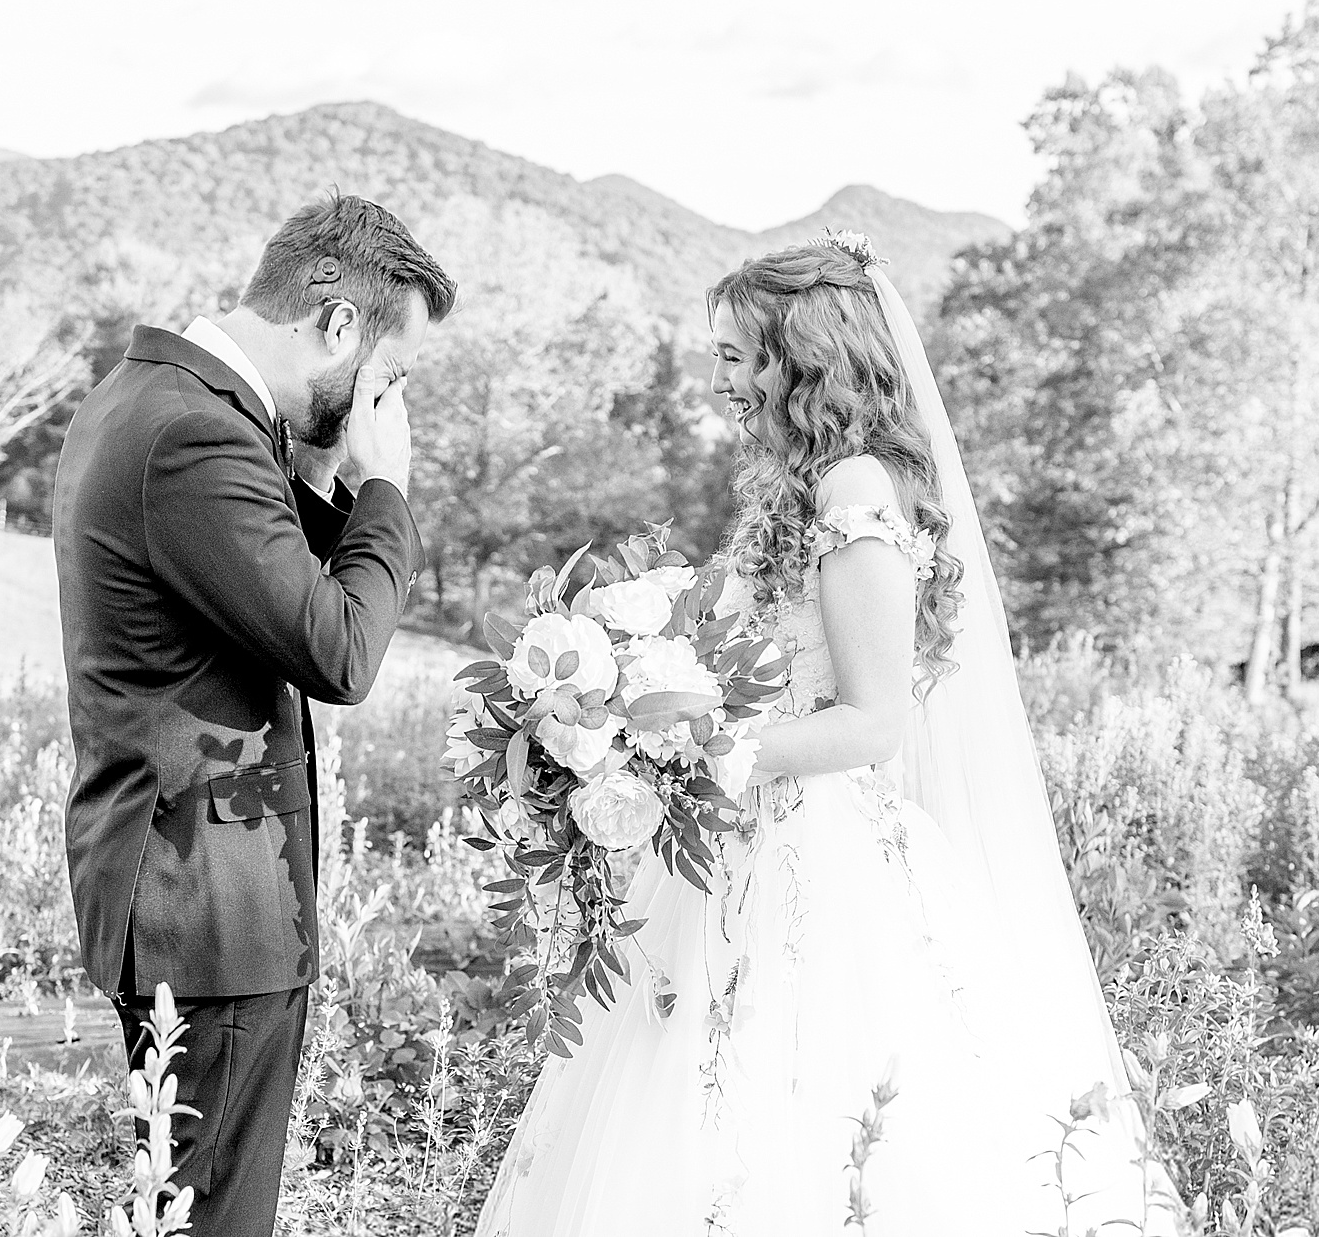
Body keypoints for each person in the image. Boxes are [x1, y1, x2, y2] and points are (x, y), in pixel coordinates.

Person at [476, 235, 1183, 1235]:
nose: (717, 378)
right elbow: (715, 638)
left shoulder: (854, 488)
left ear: (801, 360)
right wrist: (613, 669)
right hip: (730, 843)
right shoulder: (790, 483)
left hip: (816, 850)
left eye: (733, 356)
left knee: (808, 1118)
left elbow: (873, 720)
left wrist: (695, 749)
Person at [52, 193, 454, 1234]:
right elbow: (336, 649)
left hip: (192, 891)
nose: (385, 402)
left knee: (188, 1207)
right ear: (336, 326)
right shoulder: (195, 433)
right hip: (205, 902)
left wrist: (318, 470)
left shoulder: (164, 401)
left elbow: (260, 601)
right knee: (215, 1218)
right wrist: (386, 495)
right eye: (389, 374)